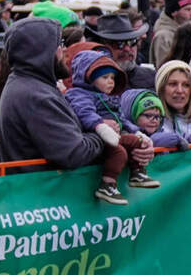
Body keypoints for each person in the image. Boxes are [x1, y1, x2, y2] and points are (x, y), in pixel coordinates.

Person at [0, 16, 153, 275]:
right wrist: (107, 141)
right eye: (57, 47)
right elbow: (69, 151)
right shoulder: (35, 94)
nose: (63, 54)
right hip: (40, 209)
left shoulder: (36, 87)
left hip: (43, 207)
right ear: (38, 52)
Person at [65, 49, 157, 203]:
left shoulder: (110, 98)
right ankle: (107, 185)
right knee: (119, 153)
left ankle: (137, 173)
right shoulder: (79, 94)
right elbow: (85, 113)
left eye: (113, 78)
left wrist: (137, 132)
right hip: (99, 138)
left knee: (137, 142)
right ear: (89, 78)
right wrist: (100, 126)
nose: (110, 82)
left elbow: (121, 118)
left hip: (117, 135)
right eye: (105, 77)